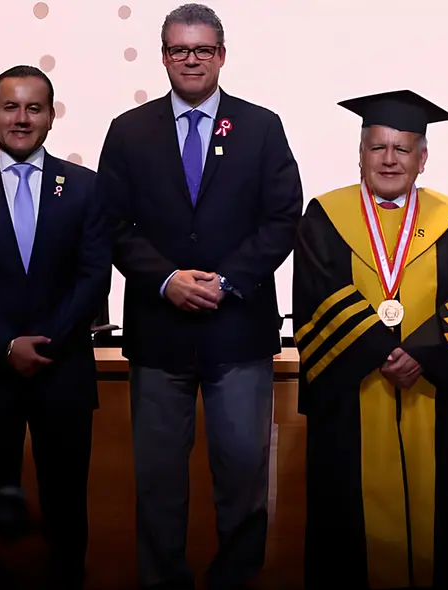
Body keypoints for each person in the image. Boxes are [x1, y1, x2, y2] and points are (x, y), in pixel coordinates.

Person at [95, 4, 303, 589]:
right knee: (158, 482)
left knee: (243, 477)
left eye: (203, 49)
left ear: (221, 55)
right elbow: (112, 225)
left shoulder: (261, 126)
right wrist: (167, 280)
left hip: (237, 332)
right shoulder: (128, 130)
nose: (191, 59)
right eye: (179, 49)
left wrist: (226, 280)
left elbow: (282, 216)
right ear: (163, 56)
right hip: (159, 336)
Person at [293, 89, 448, 589]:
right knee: (345, 520)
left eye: (402, 149)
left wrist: (422, 355)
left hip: (429, 391)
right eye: (377, 147)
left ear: (422, 159)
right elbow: (318, 293)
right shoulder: (324, 216)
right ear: (359, 153)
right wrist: (384, 352)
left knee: (435, 516)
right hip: (351, 394)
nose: (389, 160)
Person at [0, 65, 110, 589]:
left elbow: (93, 273)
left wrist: (48, 343)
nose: (22, 118)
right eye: (10, 107)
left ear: (51, 117)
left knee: (65, 510)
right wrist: (6, 344)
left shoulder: (83, 188)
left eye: (35, 107)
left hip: (64, 373)